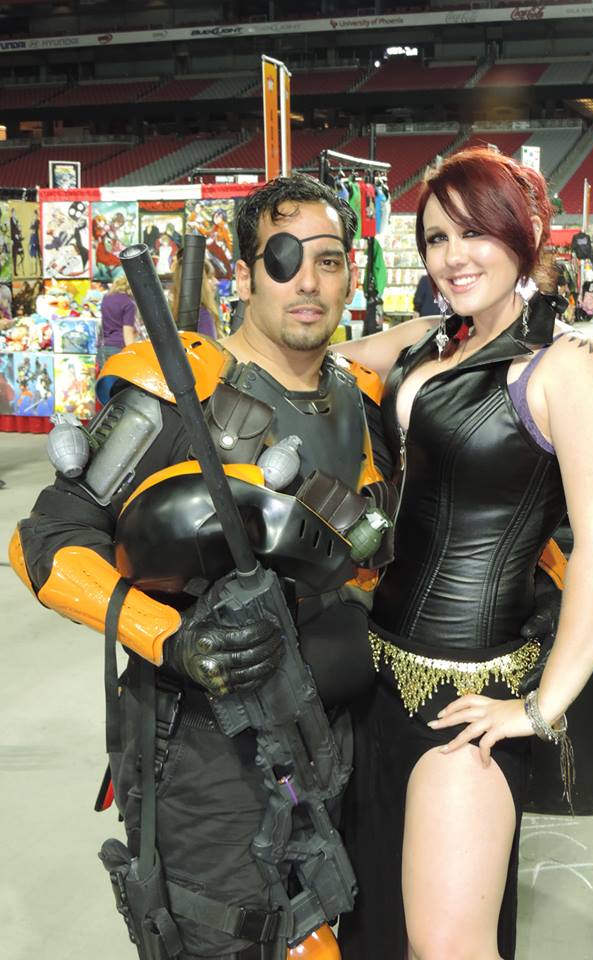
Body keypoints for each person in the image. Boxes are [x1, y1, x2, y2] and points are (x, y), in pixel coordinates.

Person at [8, 173, 398, 960]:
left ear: (350, 275)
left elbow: (366, 554)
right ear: (245, 276)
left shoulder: (356, 397)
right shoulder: (178, 391)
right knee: (228, 938)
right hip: (210, 754)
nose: (307, 281)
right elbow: (45, 543)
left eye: (328, 260)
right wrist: (172, 639)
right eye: (283, 259)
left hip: (334, 739)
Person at [333, 146, 593, 960]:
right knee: (374, 931)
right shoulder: (431, 343)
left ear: (522, 235)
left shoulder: (571, 369)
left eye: (475, 233)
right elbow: (317, 361)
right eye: (436, 238)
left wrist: (539, 708)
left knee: (447, 948)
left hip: (467, 705)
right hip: (373, 680)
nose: (453, 256)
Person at [170, 254, 220, 338]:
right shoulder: (203, 316)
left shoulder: (173, 315)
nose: (216, 282)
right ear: (200, 284)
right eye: (210, 277)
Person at [98, 275, 137, 368]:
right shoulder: (129, 303)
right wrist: (133, 352)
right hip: (119, 347)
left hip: (103, 346)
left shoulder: (106, 299)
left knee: (105, 376)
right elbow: (127, 331)